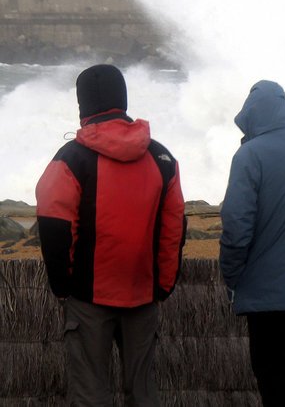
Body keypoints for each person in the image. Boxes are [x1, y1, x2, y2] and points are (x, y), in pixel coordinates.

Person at [36, 64, 186, 405]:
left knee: (90, 393)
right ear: (123, 99)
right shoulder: (162, 158)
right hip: (144, 295)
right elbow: (173, 227)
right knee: (143, 392)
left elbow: (54, 225)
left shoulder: (71, 159)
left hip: (88, 299)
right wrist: (164, 284)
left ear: (82, 106)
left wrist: (62, 286)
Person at [219, 80, 285, 407]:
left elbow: (237, 226)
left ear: (251, 115)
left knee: (272, 375)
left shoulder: (249, 156)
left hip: (265, 291)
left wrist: (231, 275)